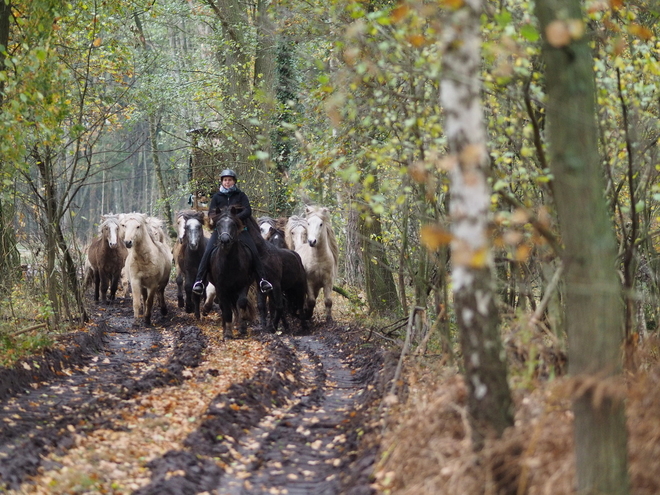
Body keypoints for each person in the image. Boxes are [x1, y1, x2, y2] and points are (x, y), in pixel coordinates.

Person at [191, 169, 273, 295]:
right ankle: (199, 282)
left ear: (234, 181)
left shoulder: (241, 195)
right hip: (220, 230)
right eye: (225, 180)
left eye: (229, 180)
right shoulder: (217, 197)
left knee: (254, 251)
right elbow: (212, 213)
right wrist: (223, 220)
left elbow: (248, 211)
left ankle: (262, 280)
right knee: (207, 251)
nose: (227, 182)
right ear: (222, 182)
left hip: (240, 230)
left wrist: (234, 219)